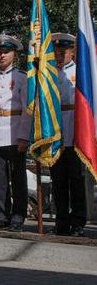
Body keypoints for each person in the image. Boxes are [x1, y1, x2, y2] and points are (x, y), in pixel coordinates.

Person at [0, 34, 31, 232]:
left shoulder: (21, 78)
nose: (2, 55)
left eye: (6, 52)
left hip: (14, 132)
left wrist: (24, 136)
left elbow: (27, 110)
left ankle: (18, 216)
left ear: (14, 54)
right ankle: (2, 215)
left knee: (18, 177)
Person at [50, 32, 87, 237]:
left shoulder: (81, 73)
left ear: (72, 51)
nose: (60, 54)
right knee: (58, 182)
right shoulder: (50, 74)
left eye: (64, 50)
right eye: (57, 51)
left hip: (75, 131)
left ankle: (79, 223)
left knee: (77, 180)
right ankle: (61, 222)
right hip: (56, 134)